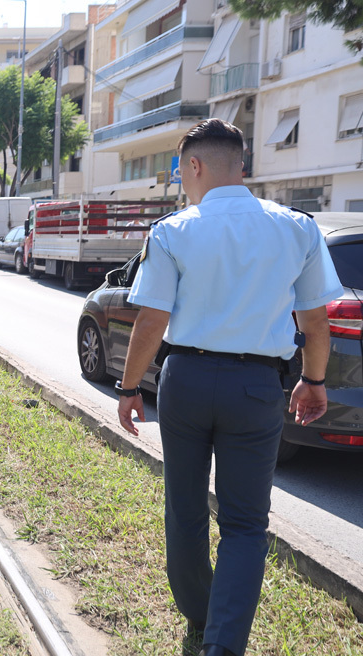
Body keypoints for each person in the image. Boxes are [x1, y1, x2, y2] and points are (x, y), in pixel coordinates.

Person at [116, 119, 342, 656]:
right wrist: (313, 381)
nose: (181, 182)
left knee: (185, 506)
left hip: (187, 381)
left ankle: (199, 612)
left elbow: (151, 322)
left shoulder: (173, 231)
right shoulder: (298, 228)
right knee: (245, 524)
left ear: (194, 166)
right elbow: (316, 323)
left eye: (180, 171)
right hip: (257, 387)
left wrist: (129, 390)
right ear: (240, 163)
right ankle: (223, 644)